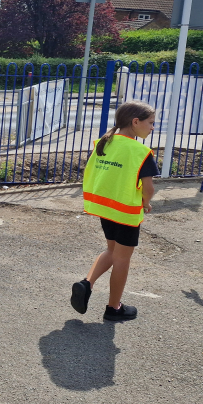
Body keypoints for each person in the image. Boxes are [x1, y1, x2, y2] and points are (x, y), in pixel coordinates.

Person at [71, 100, 158, 322]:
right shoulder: (140, 151)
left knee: (112, 250)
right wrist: (146, 202)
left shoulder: (104, 142)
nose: (152, 127)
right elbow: (148, 189)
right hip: (126, 212)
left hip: (105, 208)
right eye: (151, 123)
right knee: (122, 259)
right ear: (135, 122)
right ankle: (113, 307)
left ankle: (86, 283)